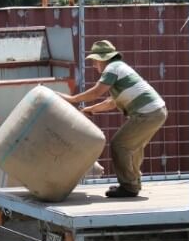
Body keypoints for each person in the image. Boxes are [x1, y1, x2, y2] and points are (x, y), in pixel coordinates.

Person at [58, 40, 167, 198]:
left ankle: (129, 187)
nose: (94, 65)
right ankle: (132, 183)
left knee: (120, 145)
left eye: (95, 61)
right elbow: (111, 102)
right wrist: (91, 109)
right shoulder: (120, 68)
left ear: (103, 59)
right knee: (133, 147)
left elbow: (96, 92)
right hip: (157, 111)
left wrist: (72, 99)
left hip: (147, 113)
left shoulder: (112, 68)